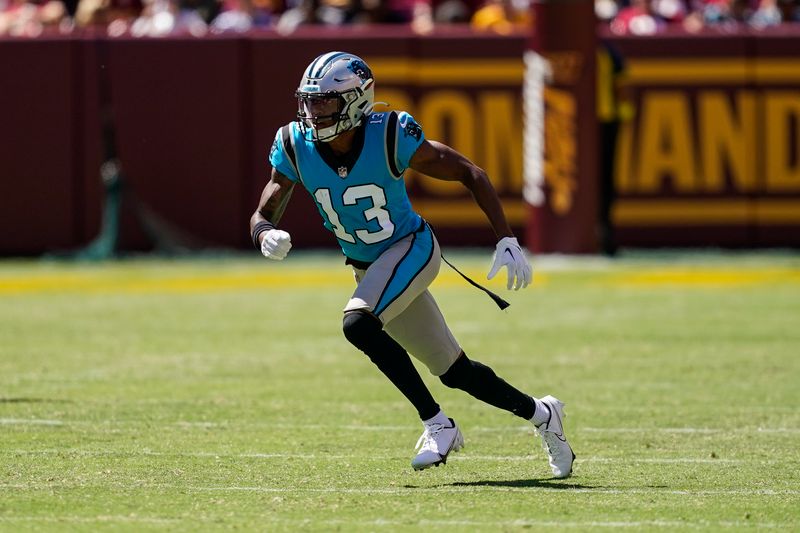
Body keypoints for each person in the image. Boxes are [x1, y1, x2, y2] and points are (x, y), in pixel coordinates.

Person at [250, 51, 575, 477]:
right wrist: (262, 233)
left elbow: (470, 172)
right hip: (369, 266)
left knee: (358, 324)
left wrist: (506, 238)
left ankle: (437, 423)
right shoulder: (295, 143)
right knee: (456, 371)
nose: (314, 112)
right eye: (310, 101)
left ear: (356, 100)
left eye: (326, 101)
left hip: (412, 248)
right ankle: (542, 414)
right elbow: (266, 208)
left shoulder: (389, 135)